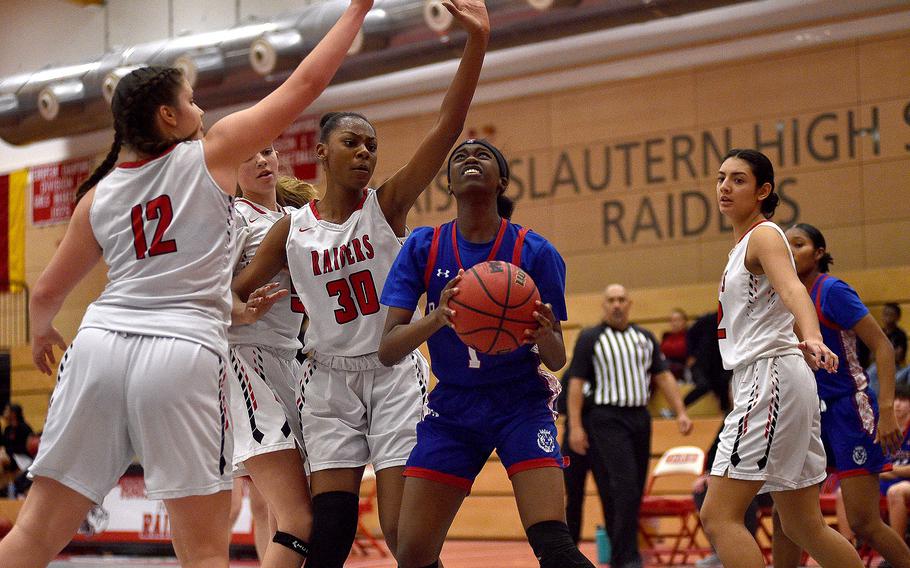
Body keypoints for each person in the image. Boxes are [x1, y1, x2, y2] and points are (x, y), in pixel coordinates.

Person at [0, 4, 372, 567]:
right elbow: (309, 81)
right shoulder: (213, 154)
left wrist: (41, 333)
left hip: (97, 346)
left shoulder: (96, 197)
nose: (201, 109)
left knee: (34, 535)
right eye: (192, 99)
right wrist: (359, 7)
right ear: (169, 117)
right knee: (202, 552)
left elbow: (48, 291)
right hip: (182, 352)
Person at [232, 3, 489, 565]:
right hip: (327, 382)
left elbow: (446, 127)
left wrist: (477, 41)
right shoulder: (290, 229)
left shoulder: (387, 205)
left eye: (371, 144)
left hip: (393, 373)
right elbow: (236, 290)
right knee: (330, 533)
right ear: (322, 153)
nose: (365, 152)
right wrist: (239, 310)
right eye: (352, 142)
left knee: (404, 536)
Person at [377, 139, 594, 568]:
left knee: (554, 545)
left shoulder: (536, 252)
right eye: (459, 156)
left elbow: (556, 358)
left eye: (482, 155)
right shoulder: (423, 246)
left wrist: (541, 333)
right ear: (449, 185)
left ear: (503, 182)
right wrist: (438, 316)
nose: (469, 159)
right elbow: (388, 348)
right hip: (454, 409)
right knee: (412, 553)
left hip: (521, 403)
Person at [698, 148, 864, 568]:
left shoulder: (765, 235)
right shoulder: (742, 245)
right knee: (803, 525)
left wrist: (812, 336)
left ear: (763, 191)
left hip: (770, 377)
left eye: (738, 179)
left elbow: (794, 292)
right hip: (781, 379)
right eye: (721, 177)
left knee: (718, 515)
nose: (724, 187)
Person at [768, 222, 910, 567]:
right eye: (786, 245)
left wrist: (887, 408)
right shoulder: (780, 296)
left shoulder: (831, 291)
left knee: (864, 522)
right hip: (806, 412)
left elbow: (882, 345)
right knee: (784, 518)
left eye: (799, 244)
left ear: (818, 254)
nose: (791, 251)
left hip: (848, 408)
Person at [229, 149, 320, 568]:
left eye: (267, 151)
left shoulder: (299, 216)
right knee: (295, 516)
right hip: (244, 359)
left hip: (293, 359)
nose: (263, 160)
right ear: (233, 171)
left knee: (287, 512)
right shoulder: (235, 217)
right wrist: (240, 311)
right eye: (250, 156)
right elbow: (203, 294)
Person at [566, 284, 694, 568]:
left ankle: (623, 553)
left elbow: (663, 377)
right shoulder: (590, 338)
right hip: (606, 418)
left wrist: (681, 412)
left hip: (639, 418)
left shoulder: (645, 337)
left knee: (634, 489)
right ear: (604, 305)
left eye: (621, 300)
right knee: (623, 486)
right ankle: (626, 557)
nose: (616, 305)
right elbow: (575, 383)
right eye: (611, 300)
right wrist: (575, 426)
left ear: (630, 303)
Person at [682, 311, 733, 413]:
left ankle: (726, 413)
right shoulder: (708, 319)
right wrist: (691, 354)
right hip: (702, 364)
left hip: (721, 364)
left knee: (723, 382)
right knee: (704, 385)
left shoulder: (733, 320)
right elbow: (690, 334)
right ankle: (678, 409)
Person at [882, 383, 910, 543]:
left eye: (903, 400)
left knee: (895, 492)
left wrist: (893, 469)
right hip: (886, 479)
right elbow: (877, 465)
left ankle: (897, 552)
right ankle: (852, 545)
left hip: (904, 483)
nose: (898, 404)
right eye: (895, 399)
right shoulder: (884, 428)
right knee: (844, 492)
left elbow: (886, 468)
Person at [661, 308, 689, 382]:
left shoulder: (689, 336)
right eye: (672, 320)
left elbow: (681, 350)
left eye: (677, 320)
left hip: (682, 366)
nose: (674, 323)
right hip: (667, 365)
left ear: (684, 321)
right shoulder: (666, 336)